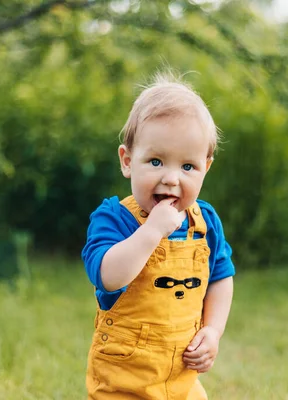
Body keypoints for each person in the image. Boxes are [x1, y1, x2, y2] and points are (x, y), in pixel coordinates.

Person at [82, 72, 235, 400]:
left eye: (188, 167)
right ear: (127, 161)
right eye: (155, 161)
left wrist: (213, 330)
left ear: (206, 167)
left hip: (181, 378)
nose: (171, 178)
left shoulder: (204, 222)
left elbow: (220, 277)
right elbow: (108, 277)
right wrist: (152, 230)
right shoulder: (115, 218)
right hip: (125, 379)